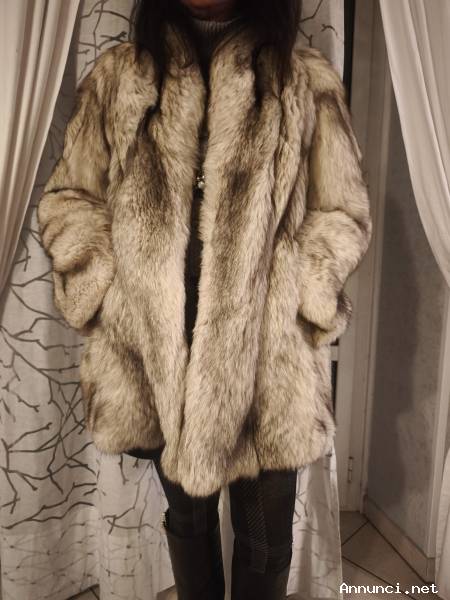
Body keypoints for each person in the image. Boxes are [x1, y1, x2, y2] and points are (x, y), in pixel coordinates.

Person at [37, 0, 373, 598]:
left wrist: (302, 294)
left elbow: (341, 210)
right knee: (186, 518)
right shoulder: (121, 77)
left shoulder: (301, 79)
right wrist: (107, 290)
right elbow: (69, 199)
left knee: (266, 536)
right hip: (157, 356)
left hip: (265, 361)